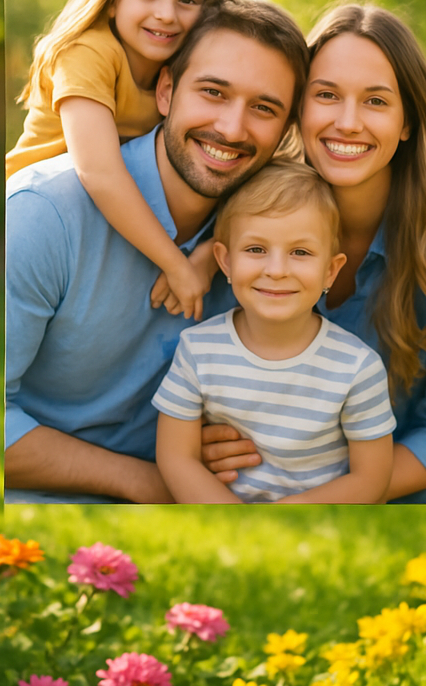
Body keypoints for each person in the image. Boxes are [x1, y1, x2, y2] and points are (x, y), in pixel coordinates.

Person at [4, 0, 309, 503]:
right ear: (165, 90)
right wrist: (150, 482)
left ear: (284, 130)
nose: (232, 130)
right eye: (213, 92)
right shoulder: (43, 217)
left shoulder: (275, 246)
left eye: (264, 108)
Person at [203, 2, 426, 504]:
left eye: (376, 102)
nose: (348, 122)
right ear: (300, 108)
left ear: (407, 122)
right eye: (327, 95)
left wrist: (324, 494)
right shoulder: (255, 213)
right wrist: (204, 443)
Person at [7, 0, 220, 319]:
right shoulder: (87, 52)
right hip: (41, 224)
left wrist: (210, 251)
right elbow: (99, 172)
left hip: (113, 217)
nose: (167, 14)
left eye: (188, 0)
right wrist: (177, 264)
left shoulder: (181, 68)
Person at [153, 161, 395, 504]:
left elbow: (371, 479)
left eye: (300, 252)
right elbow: (176, 458)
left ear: (330, 270)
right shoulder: (198, 350)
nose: (277, 270)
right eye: (256, 249)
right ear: (225, 261)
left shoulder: (357, 367)